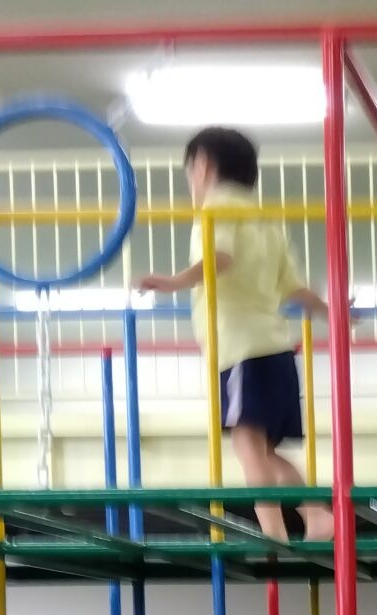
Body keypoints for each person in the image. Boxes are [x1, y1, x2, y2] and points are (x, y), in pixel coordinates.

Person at [135, 127, 334, 544]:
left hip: (241, 348)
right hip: (276, 349)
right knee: (264, 451)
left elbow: (219, 258)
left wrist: (173, 281)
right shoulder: (265, 219)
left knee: (247, 447)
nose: (191, 182)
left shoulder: (216, 208)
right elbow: (293, 287)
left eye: (190, 172)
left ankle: (274, 533)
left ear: (203, 165)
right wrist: (332, 312)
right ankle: (316, 515)